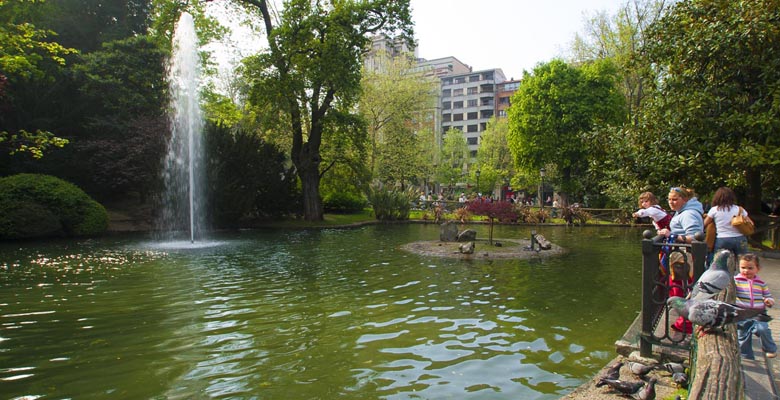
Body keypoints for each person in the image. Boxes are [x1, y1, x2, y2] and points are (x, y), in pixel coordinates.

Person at [657, 186, 704, 333]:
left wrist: (672, 236)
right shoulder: (683, 212)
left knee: (681, 287)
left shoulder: (688, 214)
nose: (671, 202)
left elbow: (695, 237)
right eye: (669, 199)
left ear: (684, 199)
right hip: (680, 255)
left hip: (684, 256)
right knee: (678, 286)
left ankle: (686, 322)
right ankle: (684, 319)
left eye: (675, 199)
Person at [735, 253, 777, 359]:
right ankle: (745, 355)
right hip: (742, 313)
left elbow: (767, 295)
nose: (746, 271)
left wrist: (769, 301)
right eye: (743, 268)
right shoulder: (736, 281)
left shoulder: (761, 283)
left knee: (763, 329)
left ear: (757, 269)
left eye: (750, 268)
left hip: (758, 313)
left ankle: (770, 349)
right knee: (743, 334)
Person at [703, 186, 749, 258]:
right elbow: (749, 222)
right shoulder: (739, 209)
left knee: (720, 262)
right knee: (744, 260)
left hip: (723, 238)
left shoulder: (714, 210)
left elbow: (704, 224)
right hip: (740, 238)